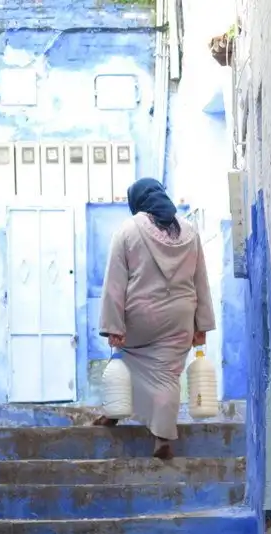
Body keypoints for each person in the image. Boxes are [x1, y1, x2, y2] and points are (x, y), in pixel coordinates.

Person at [97, 177, 216, 460]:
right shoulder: (189, 231)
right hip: (181, 318)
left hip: (141, 316)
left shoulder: (127, 230)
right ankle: (162, 437)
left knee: (125, 360)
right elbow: (201, 280)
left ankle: (113, 412)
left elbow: (115, 282)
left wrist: (113, 326)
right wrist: (202, 326)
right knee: (168, 375)